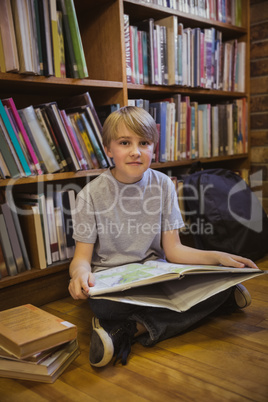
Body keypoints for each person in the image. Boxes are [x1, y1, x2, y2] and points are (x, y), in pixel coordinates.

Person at [68, 106, 257, 368]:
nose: (136, 151)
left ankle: (131, 329)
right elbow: (81, 259)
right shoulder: (89, 196)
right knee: (104, 307)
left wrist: (217, 258)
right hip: (113, 285)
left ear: (153, 148)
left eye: (144, 143)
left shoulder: (164, 184)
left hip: (156, 275)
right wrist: (78, 275)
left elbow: (175, 250)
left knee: (210, 281)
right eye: (125, 143)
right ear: (109, 150)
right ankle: (215, 301)